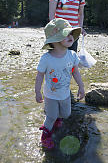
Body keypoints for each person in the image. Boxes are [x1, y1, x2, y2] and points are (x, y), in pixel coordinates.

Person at [35, 18, 85, 149]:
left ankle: (57, 119)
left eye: (70, 34)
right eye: (66, 34)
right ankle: (45, 136)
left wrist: (81, 86)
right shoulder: (46, 58)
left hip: (65, 94)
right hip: (50, 95)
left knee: (66, 114)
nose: (70, 36)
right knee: (51, 116)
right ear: (55, 40)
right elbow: (40, 75)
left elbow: (75, 72)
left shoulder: (72, 55)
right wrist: (37, 91)